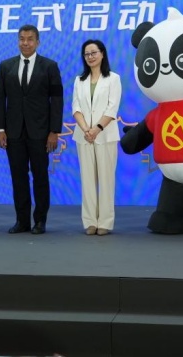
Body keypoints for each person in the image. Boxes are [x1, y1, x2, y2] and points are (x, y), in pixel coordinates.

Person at [0, 24, 63, 235]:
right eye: (22, 39)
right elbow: (0, 99)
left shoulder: (49, 66)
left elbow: (57, 100)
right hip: (13, 132)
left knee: (40, 177)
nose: (25, 43)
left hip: (41, 132)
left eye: (30, 39)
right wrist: (0, 129)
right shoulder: (6, 66)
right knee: (18, 178)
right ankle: (21, 221)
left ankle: (40, 221)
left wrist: (54, 131)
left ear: (37, 42)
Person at [71, 40, 122, 236]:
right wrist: (86, 129)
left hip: (105, 135)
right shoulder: (79, 80)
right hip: (84, 136)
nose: (90, 57)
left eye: (93, 53)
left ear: (102, 54)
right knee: (87, 180)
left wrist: (97, 129)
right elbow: (76, 107)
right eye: (87, 54)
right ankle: (90, 221)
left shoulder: (113, 78)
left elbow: (112, 107)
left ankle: (105, 222)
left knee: (106, 180)